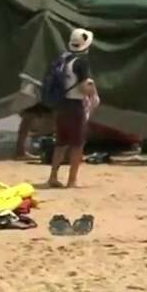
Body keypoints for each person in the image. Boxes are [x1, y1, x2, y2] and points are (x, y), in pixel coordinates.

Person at [47, 28, 97, 188]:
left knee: (60, 143)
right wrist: (92, 90)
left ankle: (53, 177)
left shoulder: (64, 58)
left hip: (61, 104)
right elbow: (83, 87)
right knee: (77, 144)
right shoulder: (81, 62)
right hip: (75, 105)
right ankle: (72, 180)